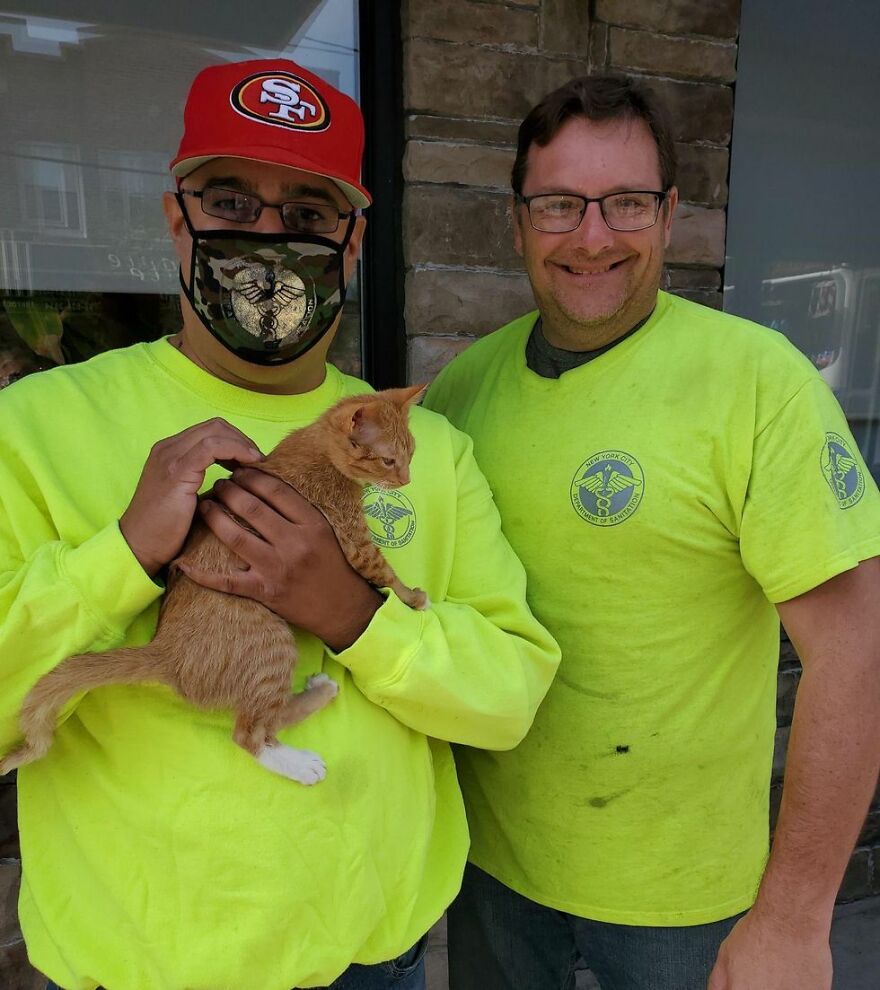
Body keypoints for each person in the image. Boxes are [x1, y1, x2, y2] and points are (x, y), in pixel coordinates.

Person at [0, 58, 560, 990]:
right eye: (231, 202)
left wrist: (354, 616)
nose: (267, 238)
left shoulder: (434, 453)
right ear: (177, 218)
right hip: (140, 971)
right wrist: (124, 556)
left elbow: (508, 699)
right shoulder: (33, 427)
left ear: (350, 244)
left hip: (375, 965)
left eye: (306, 214)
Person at [425, 74, 880, 990]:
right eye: (558, 204)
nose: (593, 237)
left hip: (689, 904)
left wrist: (792, 918)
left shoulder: (757, 383)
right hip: (492, 871)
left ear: (670, 216)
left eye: (626, 202)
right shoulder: (461, 395)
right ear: (517, 223)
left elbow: (859, 648)